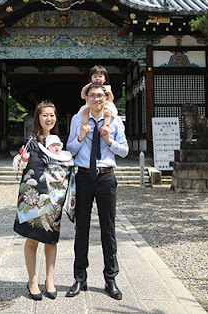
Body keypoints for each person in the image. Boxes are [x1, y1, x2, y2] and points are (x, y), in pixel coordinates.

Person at [66, 82, 129, 300]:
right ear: (86, 98)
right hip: (83, 174)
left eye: (100, 95)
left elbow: (125, 151)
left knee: (108, 229)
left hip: (106, 176)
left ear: (106, 98)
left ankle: (110, 279)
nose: (96, 99)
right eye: (92, 95)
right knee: (81, 228)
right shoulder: (77, 119)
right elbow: (69, 150)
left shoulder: (116, 121)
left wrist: (109, 140)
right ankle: (79, 278)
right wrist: (81, 136)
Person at [13, 101, 72, 301]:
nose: (49, 118)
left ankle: (50, 281)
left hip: (54, 199)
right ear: (38, 117)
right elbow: (19, 163)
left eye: (52, 115)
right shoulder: (31, 139)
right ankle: (32, 280)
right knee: (32, 239)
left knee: (51, 239)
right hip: (35, 198)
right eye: (45, 115)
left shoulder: (58, 141)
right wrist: (21, 158)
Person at [79, 65, 118, 131]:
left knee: (108, 113)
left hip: (105, 105)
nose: (97, 78)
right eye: (95, 76)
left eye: (100, 76)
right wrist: (84, 89)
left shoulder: (107, 87)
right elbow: (83, 97)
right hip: (91, 105)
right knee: (85, 111)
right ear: (90, 78)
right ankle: (85, 124)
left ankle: (106, 125)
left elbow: (111, 99)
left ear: (105, 78)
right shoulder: (88, 87)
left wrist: (109, 92)